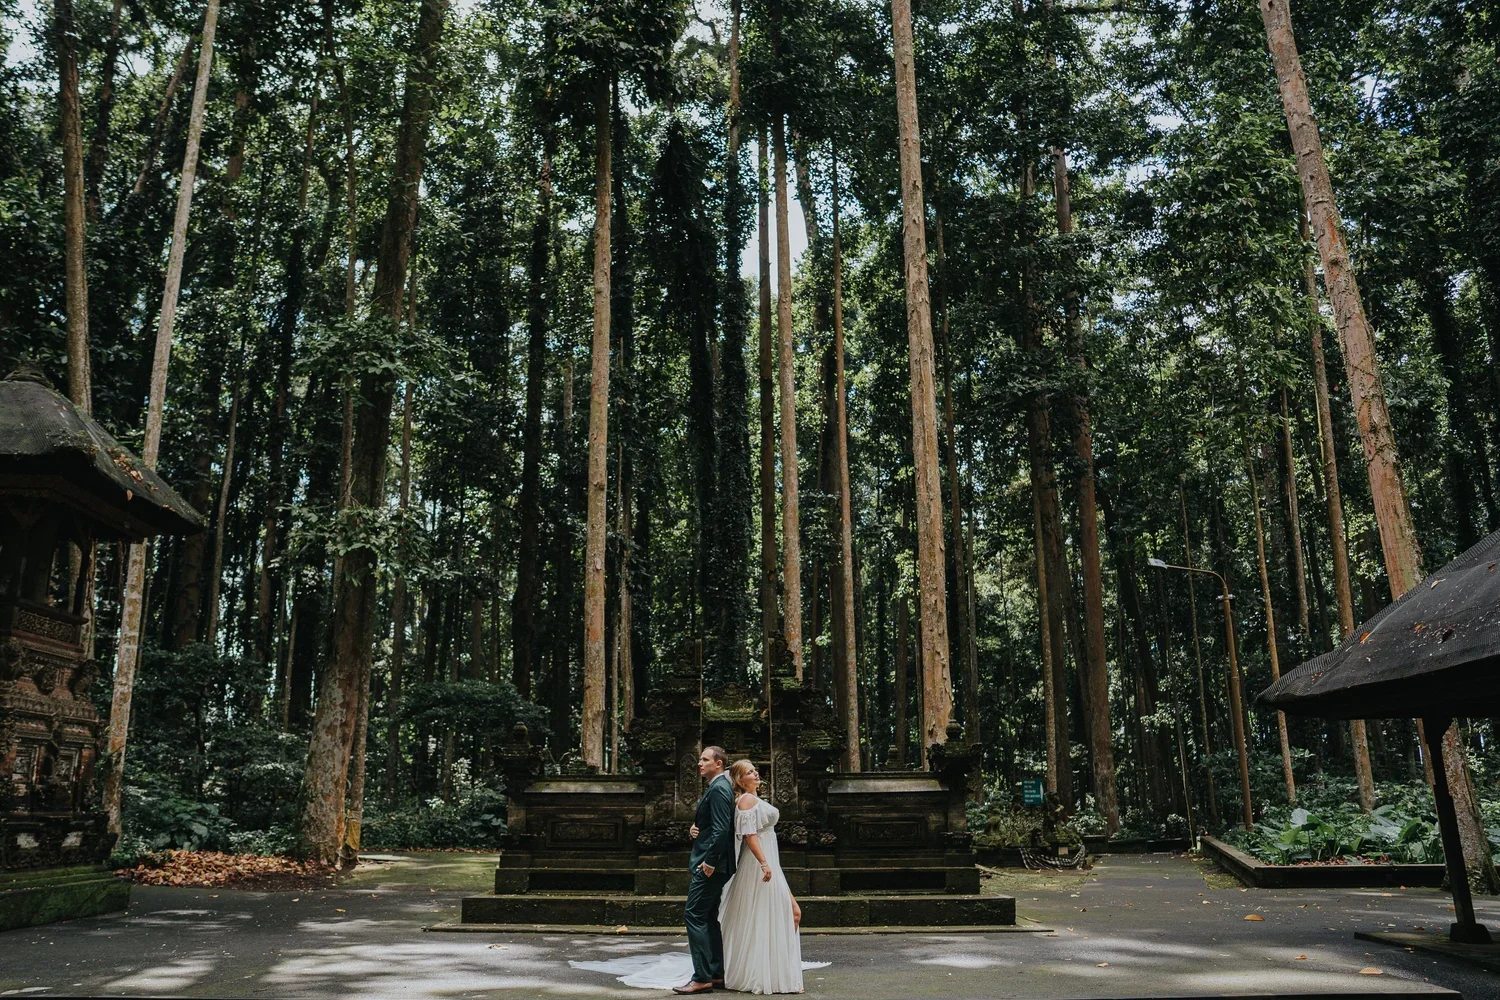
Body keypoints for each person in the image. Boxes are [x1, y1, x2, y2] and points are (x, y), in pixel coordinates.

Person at [717, 759, 805, 994]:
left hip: (769, 860)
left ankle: (778, 974)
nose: (756, 774)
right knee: (776, 914)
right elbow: (749, 835)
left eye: (755, 770)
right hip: (759, 864)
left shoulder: (753, 799)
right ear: (740, 780)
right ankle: (762, 975)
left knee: (786, 914)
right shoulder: (746, 800)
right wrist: (764, 863)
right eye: (749, 772)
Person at [675, 746, 736, 995]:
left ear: (718, 763)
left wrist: (710, 862)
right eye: (700, 759)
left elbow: (723, 830)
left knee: (694, 915)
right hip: (713, 861)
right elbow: (713, 825)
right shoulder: (716, 786)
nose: (699, 763)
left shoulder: (720, 788)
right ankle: (715, 973)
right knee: (708, 917)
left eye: (704, 759)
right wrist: (696, 826)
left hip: (712, 864)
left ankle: (701, 977)